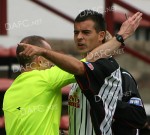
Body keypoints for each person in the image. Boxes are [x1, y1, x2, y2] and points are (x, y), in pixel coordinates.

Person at [12, 11, 145, 135]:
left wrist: (105, 102)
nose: (79, 37)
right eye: (76, 33)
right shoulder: (74, 76)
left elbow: (138, 117)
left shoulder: (114, 72)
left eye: (86, 32)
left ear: (101, 36)